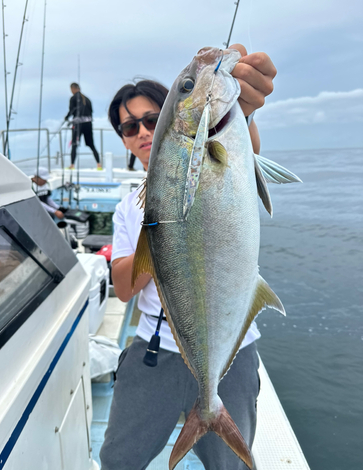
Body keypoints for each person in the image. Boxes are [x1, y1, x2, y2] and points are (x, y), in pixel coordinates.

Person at [99, 44, 277, 470]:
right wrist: (161, 221)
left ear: (166, 116)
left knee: (228, 465)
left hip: (229, 357)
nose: (141, 131)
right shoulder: (128, 209)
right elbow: (123, 290)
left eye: (149, 118)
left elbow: (241, 147)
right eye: (128, 127)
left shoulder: (225, 145)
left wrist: (247, 111)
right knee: (118, 459)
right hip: (152, 354)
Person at [64, 82, 102, 170]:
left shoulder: (73, 98)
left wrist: (66, 118)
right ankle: (99, 165)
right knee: (91, 144)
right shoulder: (87, 99)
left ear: (73, 89)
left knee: (74, 144)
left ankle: (72, 165)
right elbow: (91, 112)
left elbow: (71, 111)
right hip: (88, 124)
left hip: (78, 125)